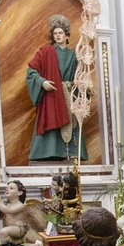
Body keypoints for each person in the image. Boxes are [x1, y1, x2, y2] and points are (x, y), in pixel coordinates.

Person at [27, 13, 84, 161]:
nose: (58, 36)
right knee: (51, 119)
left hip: (70, 94)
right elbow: (31, 72)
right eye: (55, 33)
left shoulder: (74, 55)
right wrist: (42, 82)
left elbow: (81, 75)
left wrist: (84, 87)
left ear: (67, 35)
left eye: (60, 33)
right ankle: (48, 152)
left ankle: (70, 153)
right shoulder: (46, 52)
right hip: (52, 94)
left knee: (71, 121)